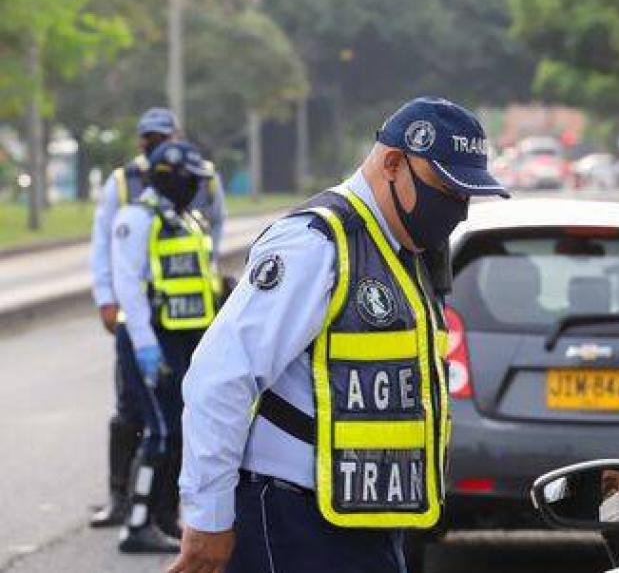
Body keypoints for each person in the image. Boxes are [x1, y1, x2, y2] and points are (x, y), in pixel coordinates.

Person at [170, 97, 509, 573]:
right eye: (445, 190)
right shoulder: (315, 244)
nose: (457, 210)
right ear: (393, 163)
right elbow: (219, 378)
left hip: (361, 524)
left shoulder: (404, 251)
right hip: (293, 523)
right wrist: (208, 520)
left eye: (466, 196)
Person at [88, 107, 226, 531]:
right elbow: (114, 259)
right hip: (150, 334)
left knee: (176, 429)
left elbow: (211, 244)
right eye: (148, 136)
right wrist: (110, 303)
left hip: (184, 335)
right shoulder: (129, 197)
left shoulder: (191, 205)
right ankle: (130, 509)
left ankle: (163, 515)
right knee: (146, 422)